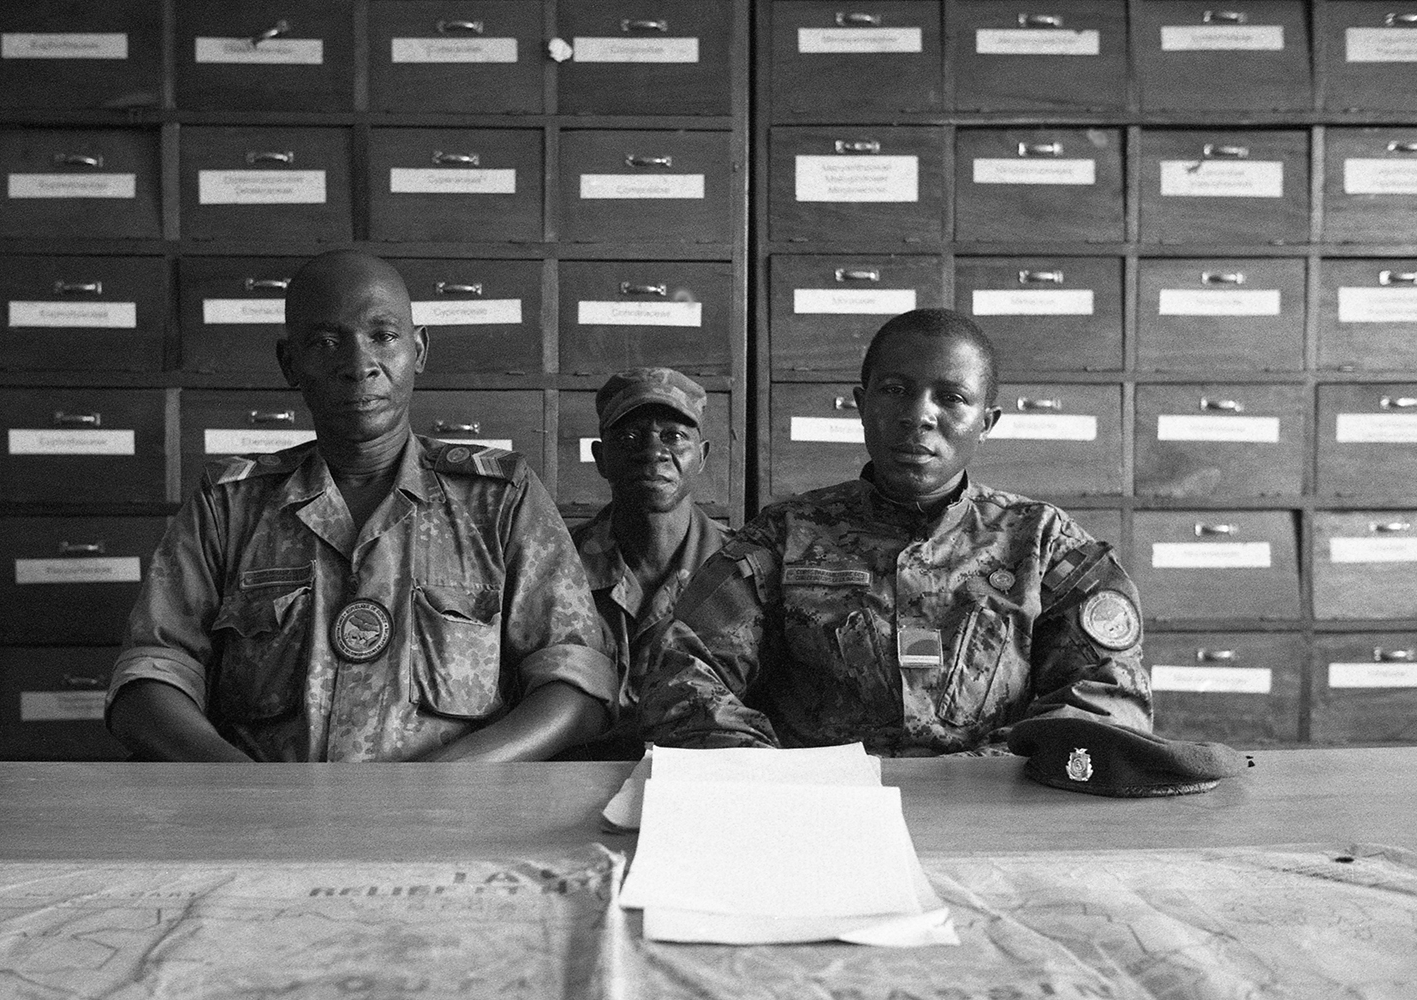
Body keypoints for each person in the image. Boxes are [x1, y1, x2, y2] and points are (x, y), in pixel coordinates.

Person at [106, 250, 614, 762]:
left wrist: (446, 785)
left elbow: (576, 682)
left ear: (418, 350)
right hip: (265, 828)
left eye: (384, 337)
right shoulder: (230, 506)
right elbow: (150, 679)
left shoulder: (499, 499)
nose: (358, 366)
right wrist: (247, 792)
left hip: (454, 826)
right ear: (290, 364)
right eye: (326, 343)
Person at [638, 308, 1151, 756]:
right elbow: (682, 679)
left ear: (986, 422)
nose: (918, 415)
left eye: (951, 397)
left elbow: (1109, 701)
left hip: (995, 811)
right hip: (828, 820)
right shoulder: (783, 537)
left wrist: (987, 775)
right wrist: (784, 779)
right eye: (895, 390)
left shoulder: (1043, 544)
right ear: (862, 404)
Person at [565, 368, 731, 759]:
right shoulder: (556, 562)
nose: (653, 451)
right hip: (577, 778)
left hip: (703, 779)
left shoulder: (743, 568)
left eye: (674, 436)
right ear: (601, 458)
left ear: (702, 456)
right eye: (629, 437)